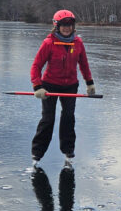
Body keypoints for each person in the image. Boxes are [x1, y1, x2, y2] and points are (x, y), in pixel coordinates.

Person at [30, 9, 95, 168]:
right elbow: (36, 66)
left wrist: (90, 83)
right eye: (63, 25)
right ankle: (37, 153)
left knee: (68, 117)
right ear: (56, 26)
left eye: (69, 25)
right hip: (50, 85)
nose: (66, 28)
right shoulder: (49, 43)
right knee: (48, 119)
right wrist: (38, 86)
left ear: (73, 26)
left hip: (70, 85)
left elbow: (84, 64)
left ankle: (68, 152)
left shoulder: (78, 43)